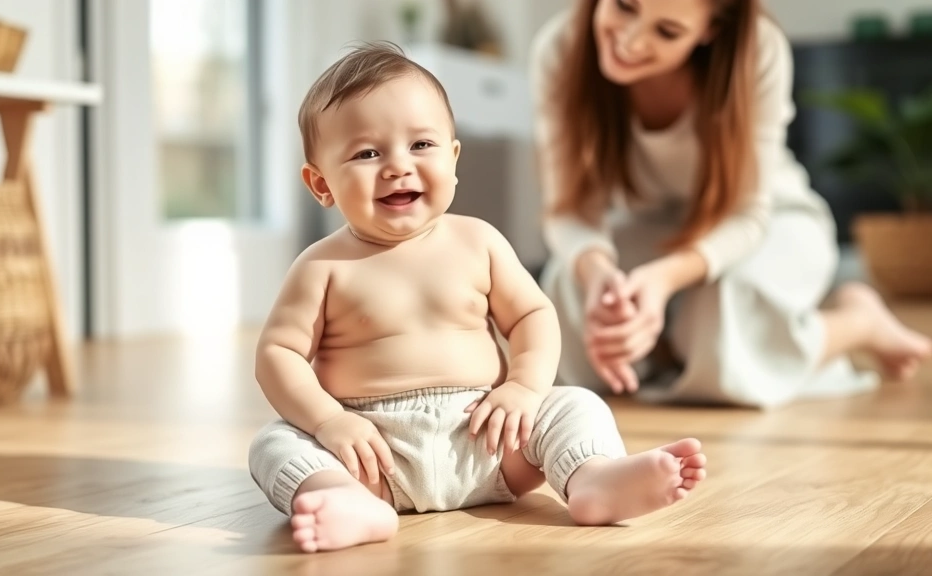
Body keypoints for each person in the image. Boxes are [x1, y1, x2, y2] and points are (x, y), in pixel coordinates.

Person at [248, 42, 707, 554]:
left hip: (489, 434)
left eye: (421, 145)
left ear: (453, 155)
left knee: (575, 403)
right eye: (367, 153)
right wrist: (328, 420)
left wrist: (525, 389)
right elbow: (279, 353)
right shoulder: (321, 266)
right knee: (274, 444)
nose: (398, 166)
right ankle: (345, 501)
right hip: (371, 452)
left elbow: (533, 314)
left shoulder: (478, 241)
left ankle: (593, 479)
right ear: (320, 183)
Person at [530, 0, 932, 408]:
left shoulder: (759, 50)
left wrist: (665, 279)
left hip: (768, 219)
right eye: (623, 6)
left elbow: (747, 216)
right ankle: (680, 350)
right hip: (646, 224)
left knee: (722, 338)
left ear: (711, 30)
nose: (630, 41)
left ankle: (859, 324)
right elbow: (570, 209)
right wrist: (598, 273)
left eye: (667, 31)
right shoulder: (559, 50)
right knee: (569, 314)